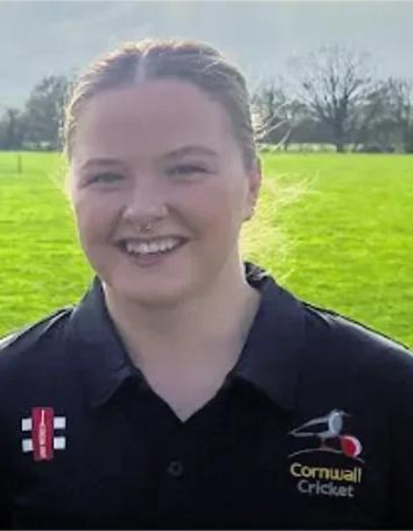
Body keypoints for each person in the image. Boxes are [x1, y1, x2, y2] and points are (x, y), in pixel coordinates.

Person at [0, 38, 412, 531]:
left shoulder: (388, 395)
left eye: (185, 170)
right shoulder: (11, 390)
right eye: (106, 177)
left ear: (252, 186)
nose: (144, 209)